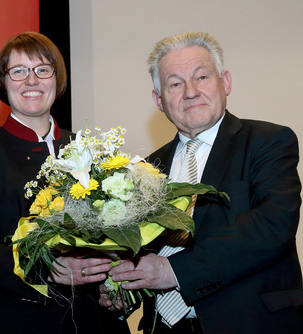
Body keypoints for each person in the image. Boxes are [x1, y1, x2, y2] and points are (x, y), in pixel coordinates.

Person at [100, 32, 303, 334]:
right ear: (159, 100)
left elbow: (272, 225)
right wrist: (123, 292)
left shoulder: (268, 141)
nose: (191, 92)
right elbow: (143, 254)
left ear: (226, 82)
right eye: (175, 84)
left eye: (202, 77)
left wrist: (174, 271)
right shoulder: (144, 170)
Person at [0, 32, 130, 334]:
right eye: (19, 71)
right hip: (13, 316)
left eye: (42, 69)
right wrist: (48, 269)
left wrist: (114, 280)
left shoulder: (89, 149)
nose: (31, 80)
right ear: (4, 81)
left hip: (89, 318)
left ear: (56, 79)